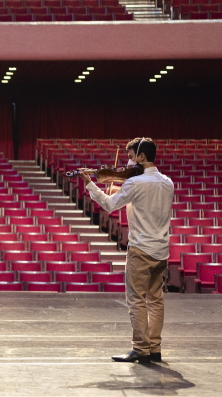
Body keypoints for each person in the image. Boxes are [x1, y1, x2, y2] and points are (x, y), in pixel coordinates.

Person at [80, 137, 174, 364]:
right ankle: (155, 347)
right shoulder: (167, 182)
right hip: (161, 251)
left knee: (136, 300)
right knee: (156, 300)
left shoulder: (135, 183)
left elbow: (110, 205)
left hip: (141, 249)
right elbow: (145, 204)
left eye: (132, 157)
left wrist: (90, 184)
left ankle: (140, 349)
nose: (129, 163)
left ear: (142, 157)